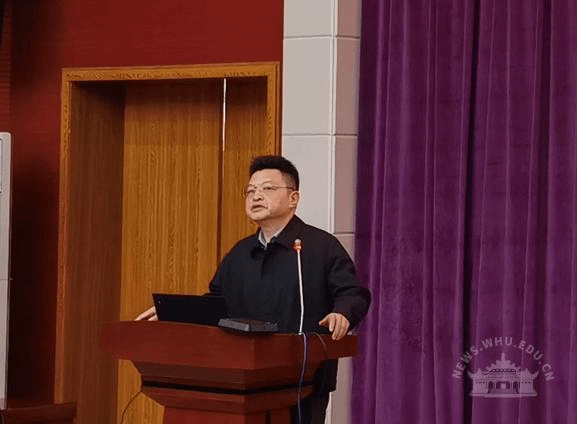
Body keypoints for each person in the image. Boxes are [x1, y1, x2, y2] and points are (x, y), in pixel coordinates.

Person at [137, 155, 371, 424]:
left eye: (267, 188)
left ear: (293, 198)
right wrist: (175, 313)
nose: (256, 196)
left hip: (303, 379)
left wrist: (342, 313)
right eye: (250, 191)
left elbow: (352, 292)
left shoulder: (320, 247)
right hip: (243, 380)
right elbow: (216, 304)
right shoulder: (241, 252)